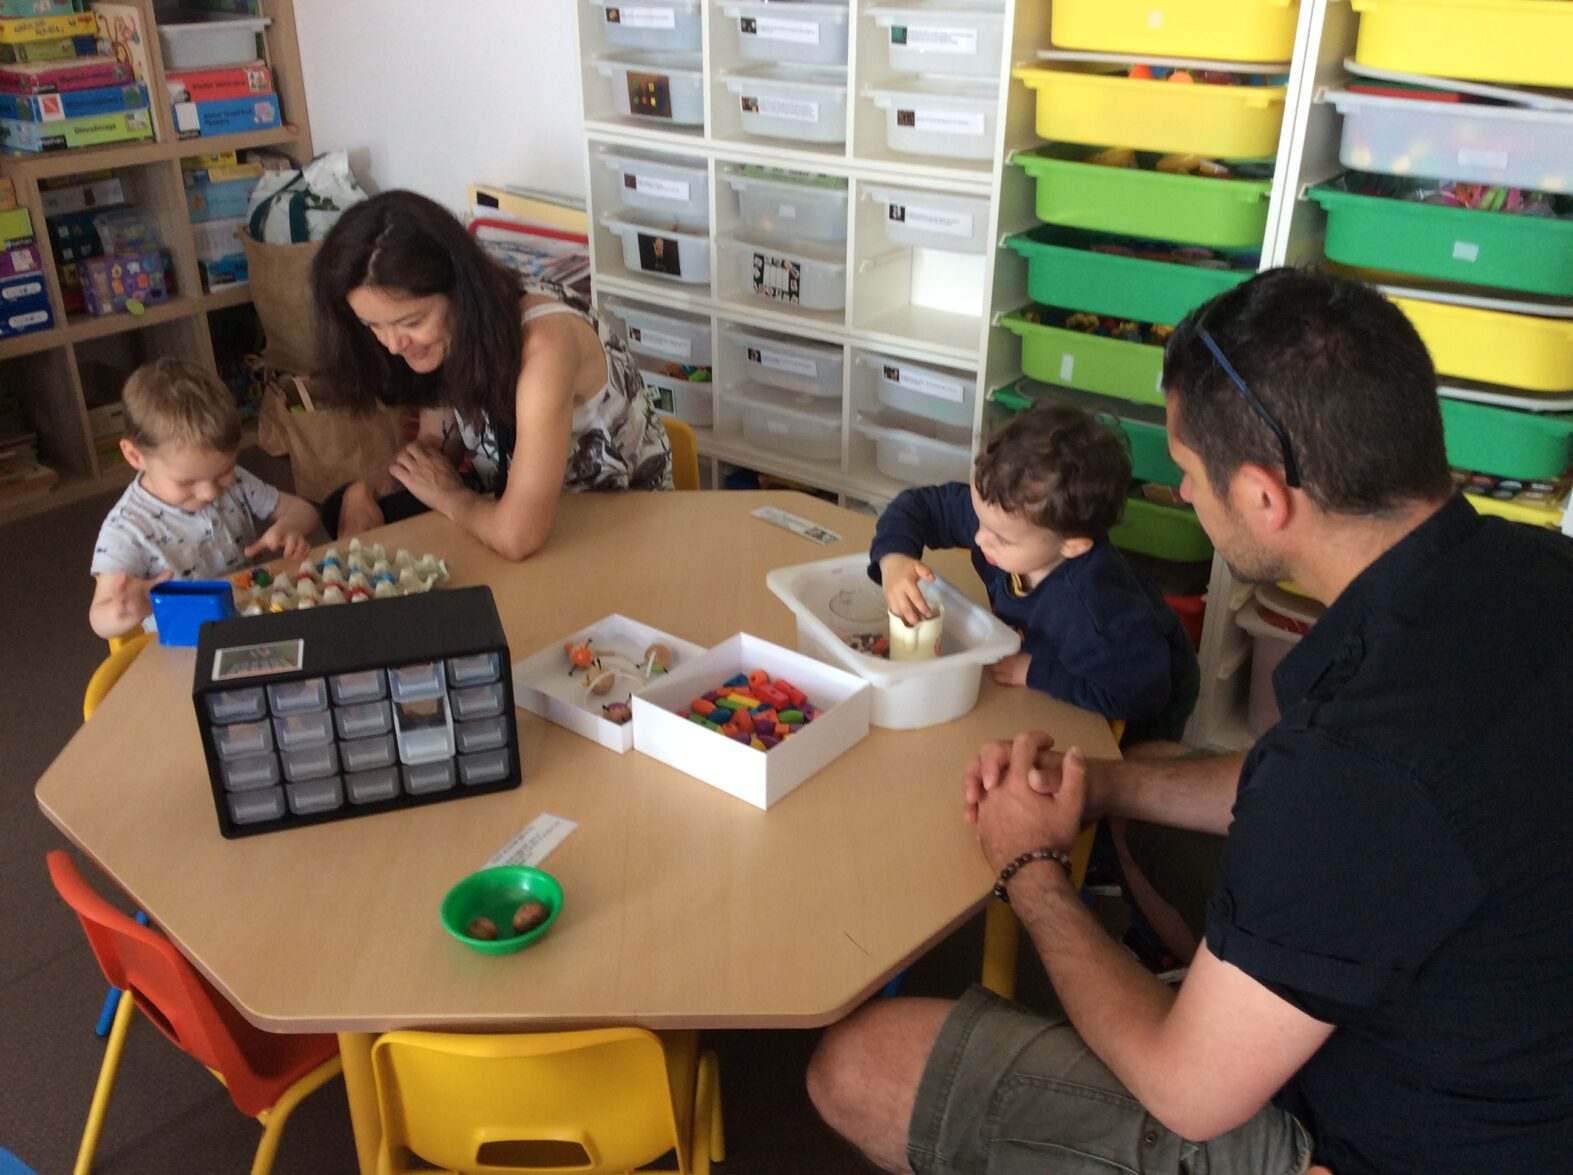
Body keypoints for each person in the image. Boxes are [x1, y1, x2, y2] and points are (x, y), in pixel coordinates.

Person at [807, 268, 1573, 1174]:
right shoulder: (1527, 566)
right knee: (1159, 776)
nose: (1178, 496)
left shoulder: (1359, 764)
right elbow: (1323, 798)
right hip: (1509, 1027)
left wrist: (1030, 868)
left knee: (859, 1064)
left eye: (1185, 472)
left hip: (1399, 1138)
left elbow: (1188, 1090)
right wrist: (1107, 783)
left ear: (1261, 496)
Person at [311, 190, 672, 561]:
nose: (392, 345)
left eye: (411, 322)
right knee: (341, 506)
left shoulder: (545, 346)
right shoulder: (449, 337)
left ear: (459, 292)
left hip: (611, 523)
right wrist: (366, 489)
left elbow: (518, 537)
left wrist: (451, 497)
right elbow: (437, 444)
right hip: (511, 507)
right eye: (372, 325)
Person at [870, 402, 1198, 743]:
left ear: (1071, 546)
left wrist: (1035, 671)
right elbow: (920, 506)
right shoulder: (1005, 513)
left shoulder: (1091, 612)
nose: (979, 539)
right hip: (1079, 652)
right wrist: (895, 559)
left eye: (1000, 539)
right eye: (980, 520)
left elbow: (1140, 696)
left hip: (1141, 686)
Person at [88, 358, 320, 639]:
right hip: (183, 645)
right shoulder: (127, 528)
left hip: (250, 621)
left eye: (223, 473)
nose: (210, 492)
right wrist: (126, 609)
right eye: (187, 482)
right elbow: (99, 620)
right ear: (135, 456)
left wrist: (289, 526)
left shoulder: (237, 482)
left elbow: (304, 511)